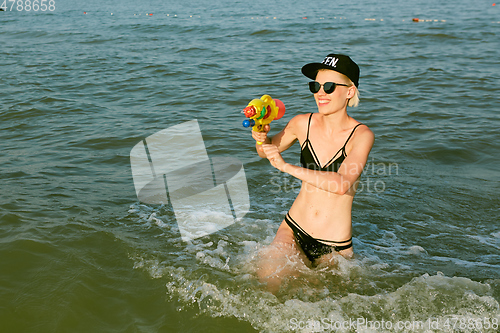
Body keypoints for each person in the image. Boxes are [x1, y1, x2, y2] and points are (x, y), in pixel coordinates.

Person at [253, 53, 374, 291]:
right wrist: (260, 137)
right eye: (315, 86)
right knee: (267, 285)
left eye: (329, 87)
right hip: (293, 228)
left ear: (349, 91)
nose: (320, 92)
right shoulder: (302, 123)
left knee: (329, 306)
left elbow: (341, 184)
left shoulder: (361, 135)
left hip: (335, 245)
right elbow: (266, 152)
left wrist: (286, 167)